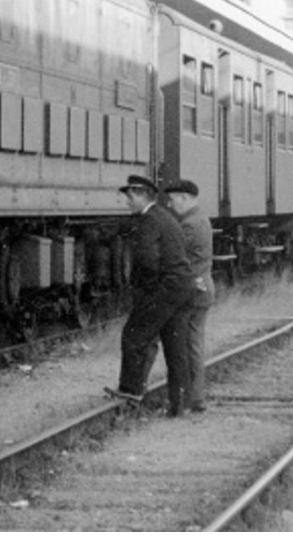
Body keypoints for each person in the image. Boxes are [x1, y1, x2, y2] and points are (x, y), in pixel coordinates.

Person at [110, 173, 197, 415]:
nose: (127, 202)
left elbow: (148, 261)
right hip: (183, 288)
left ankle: (130, 392)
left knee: (134, 335)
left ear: (140, 196)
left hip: (165, 289)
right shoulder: (166, 217)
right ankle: (180, 405)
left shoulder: (148, 221)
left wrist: (146, 294)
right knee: (175, 347)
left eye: (129, 197)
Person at [161, 177, 214, 414]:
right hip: (201, 289)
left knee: (186, 347)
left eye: (172, 201)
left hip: (192, 292)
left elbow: (177, 259)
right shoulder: (200, 218)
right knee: (193, 344)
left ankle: (191, 399)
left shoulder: (190, 224)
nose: (170, 206)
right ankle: (195, 397)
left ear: (184, 198)